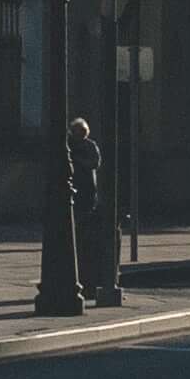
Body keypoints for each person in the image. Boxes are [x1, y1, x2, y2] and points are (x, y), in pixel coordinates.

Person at [65, 115, 123, 303]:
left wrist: (80, 161)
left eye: (82, 133)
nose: (79, 136)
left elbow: (95, 163)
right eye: (76, 133)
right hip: (72, 187)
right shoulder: (69, 145)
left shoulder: (89, 146)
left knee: (87, 216)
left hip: (88, 188)